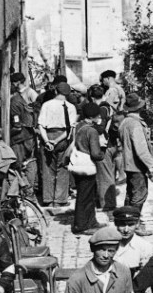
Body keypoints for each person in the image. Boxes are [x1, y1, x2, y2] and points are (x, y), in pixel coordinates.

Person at [37, 81, 78, 209]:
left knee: (47, 169)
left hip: (48, 135)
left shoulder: (46, 105)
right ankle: (60, 199)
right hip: (62, 138)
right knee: (62, 168)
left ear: (55, 91)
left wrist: (47, 141)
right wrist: (57, 141)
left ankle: (48, 199)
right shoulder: (71, 107)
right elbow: (69, 129)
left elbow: (41, 125)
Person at [119, 94, 153, 215]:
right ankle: (134, 222)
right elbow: (141, 150)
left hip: (129, 164)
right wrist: (151, 166)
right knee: (139, 195)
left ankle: (125, 220)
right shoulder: (135, 124)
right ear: (139, 108)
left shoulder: (125, 122)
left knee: (130, 194)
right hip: (137, 166)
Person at [72, 102, 106, 235]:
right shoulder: (91, 130)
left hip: (78, 164)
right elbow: (95, 153)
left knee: (86, 194)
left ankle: (91, 221)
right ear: (94, 116)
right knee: (85, 197)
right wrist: (103, 153)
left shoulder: (79, 126)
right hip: (87, 165)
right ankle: (81, 226)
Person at [87, 85, 119, 213]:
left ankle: (108, 205)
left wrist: (90, 124)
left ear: (93, 97)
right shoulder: (109, 107)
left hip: (104, 146)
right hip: (111, 144)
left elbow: (100, 128)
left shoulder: (101, 109)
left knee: (104, 176)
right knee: (107, 174)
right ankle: (105, 203)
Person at [10, 72, 38, 194]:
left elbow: (16, 125)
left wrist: (8, 135)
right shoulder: (21, 98)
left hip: (20, 137)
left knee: (18, 165)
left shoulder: (15, 101)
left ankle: (26, 193)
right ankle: (30, 192)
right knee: (30, 161)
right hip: (29, 135)